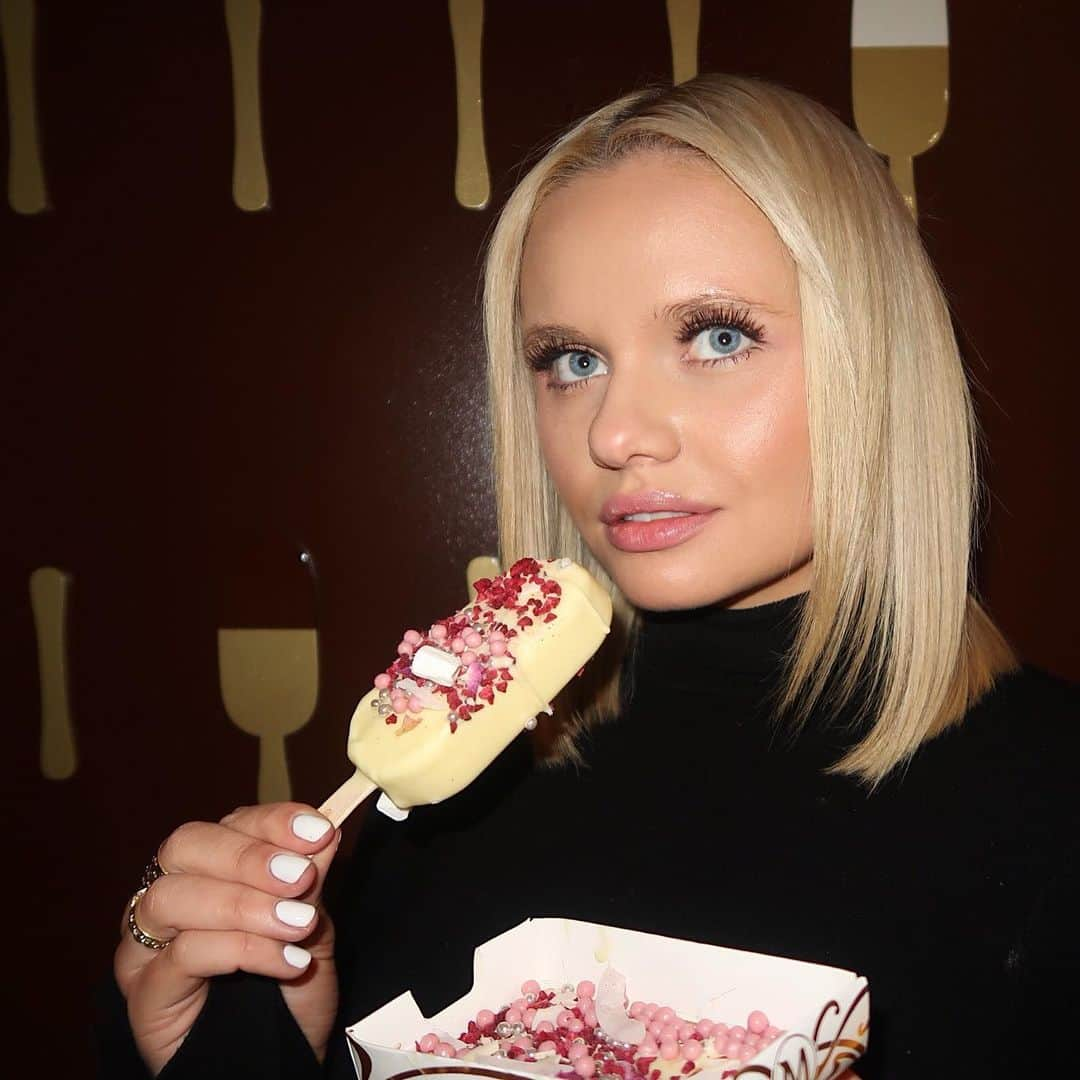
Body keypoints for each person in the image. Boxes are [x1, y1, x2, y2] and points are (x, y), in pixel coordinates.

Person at [97, 73, 1078, 1079]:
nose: (612, 433)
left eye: (717, 337)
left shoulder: (1048, 816)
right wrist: (215, 1051)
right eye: (570, 360)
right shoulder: (451, 797)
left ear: (877, 360)